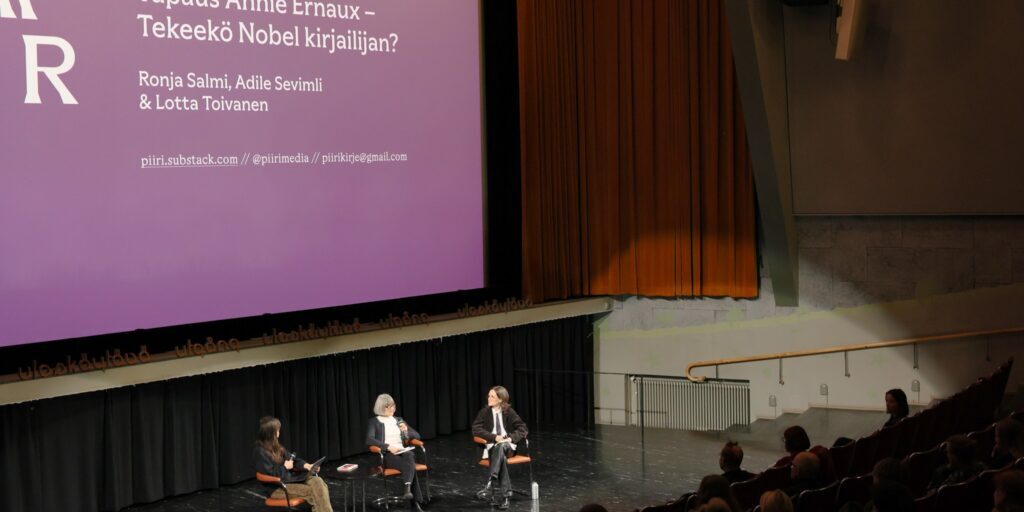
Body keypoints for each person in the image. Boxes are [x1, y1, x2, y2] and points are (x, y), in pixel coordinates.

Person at [252, 416, 333, 512]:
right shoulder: (260, 452)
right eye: (277, 430)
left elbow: (293, 460)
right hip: (277, 488)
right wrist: (285, 467)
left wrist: (307, 466)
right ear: (271, 433)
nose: (279, 432)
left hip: (291, 479)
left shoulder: (277, 447)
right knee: (314, 491)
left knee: (318, 482)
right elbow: (269, 475)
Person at [472, 385, 529, 510]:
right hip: (492, 447)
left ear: (500, 399)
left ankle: (491, 481)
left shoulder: (509, 412)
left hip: (508, 447)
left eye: (492, 396)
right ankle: (506, 496)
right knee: (499, 453)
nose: (489, 398)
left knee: (501, 447)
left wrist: (510, 438)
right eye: (489, 396)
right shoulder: (484, 412)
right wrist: (494, 437)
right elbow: (476, 429)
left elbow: (523, 428)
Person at [366, 393, 426, 510]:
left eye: (393, 406)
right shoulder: (374, 422)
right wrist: (387, 446)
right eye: (388, 407)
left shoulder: (399, 420)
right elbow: (369, 439)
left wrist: (406, 431)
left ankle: (408, 490)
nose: (392, 409)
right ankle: (414, 500)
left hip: (403, 452)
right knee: (410, 465)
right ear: (381, 407)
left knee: (409, 455)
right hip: (387, 454)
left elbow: (417, 435)